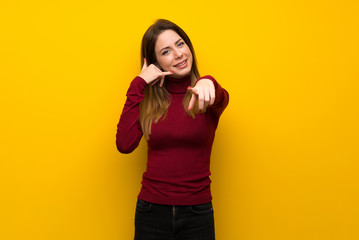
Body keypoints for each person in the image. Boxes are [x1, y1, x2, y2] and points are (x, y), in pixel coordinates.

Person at [116, 19, 229, 240]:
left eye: (180, 44)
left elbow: (221, 97)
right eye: (166, 51)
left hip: (198, 212)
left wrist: (209, 81)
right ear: (155, 62)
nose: (178, 54)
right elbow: (124, 145)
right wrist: (138, 83)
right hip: (151, 211)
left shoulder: (205, 95)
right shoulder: (147, 100)